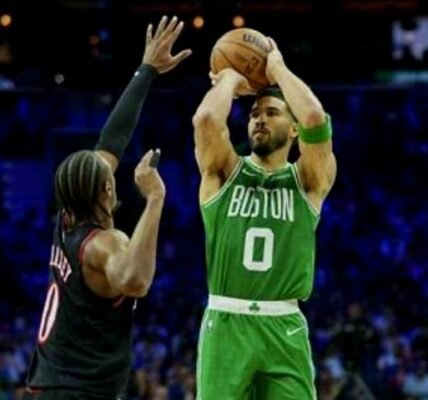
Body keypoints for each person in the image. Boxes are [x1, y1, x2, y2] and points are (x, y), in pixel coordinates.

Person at [23, 16, 191, 400]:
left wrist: (146, 70)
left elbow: (111, 140)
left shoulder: (67, 220)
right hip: (78, 392)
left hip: (50, 383)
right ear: (107, 189)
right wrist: (155, 199)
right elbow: (136, 281)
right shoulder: (102, 245)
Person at [192, 37, 336, 400]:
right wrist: (228, 78)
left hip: (284, 323)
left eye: (272, 113)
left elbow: (315, 118)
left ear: (293, 129)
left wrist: (277, 69)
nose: (259, 119)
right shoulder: (225, 171)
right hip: (226, 318)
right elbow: (206, 119)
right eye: (254, 114)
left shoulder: (308, 180)